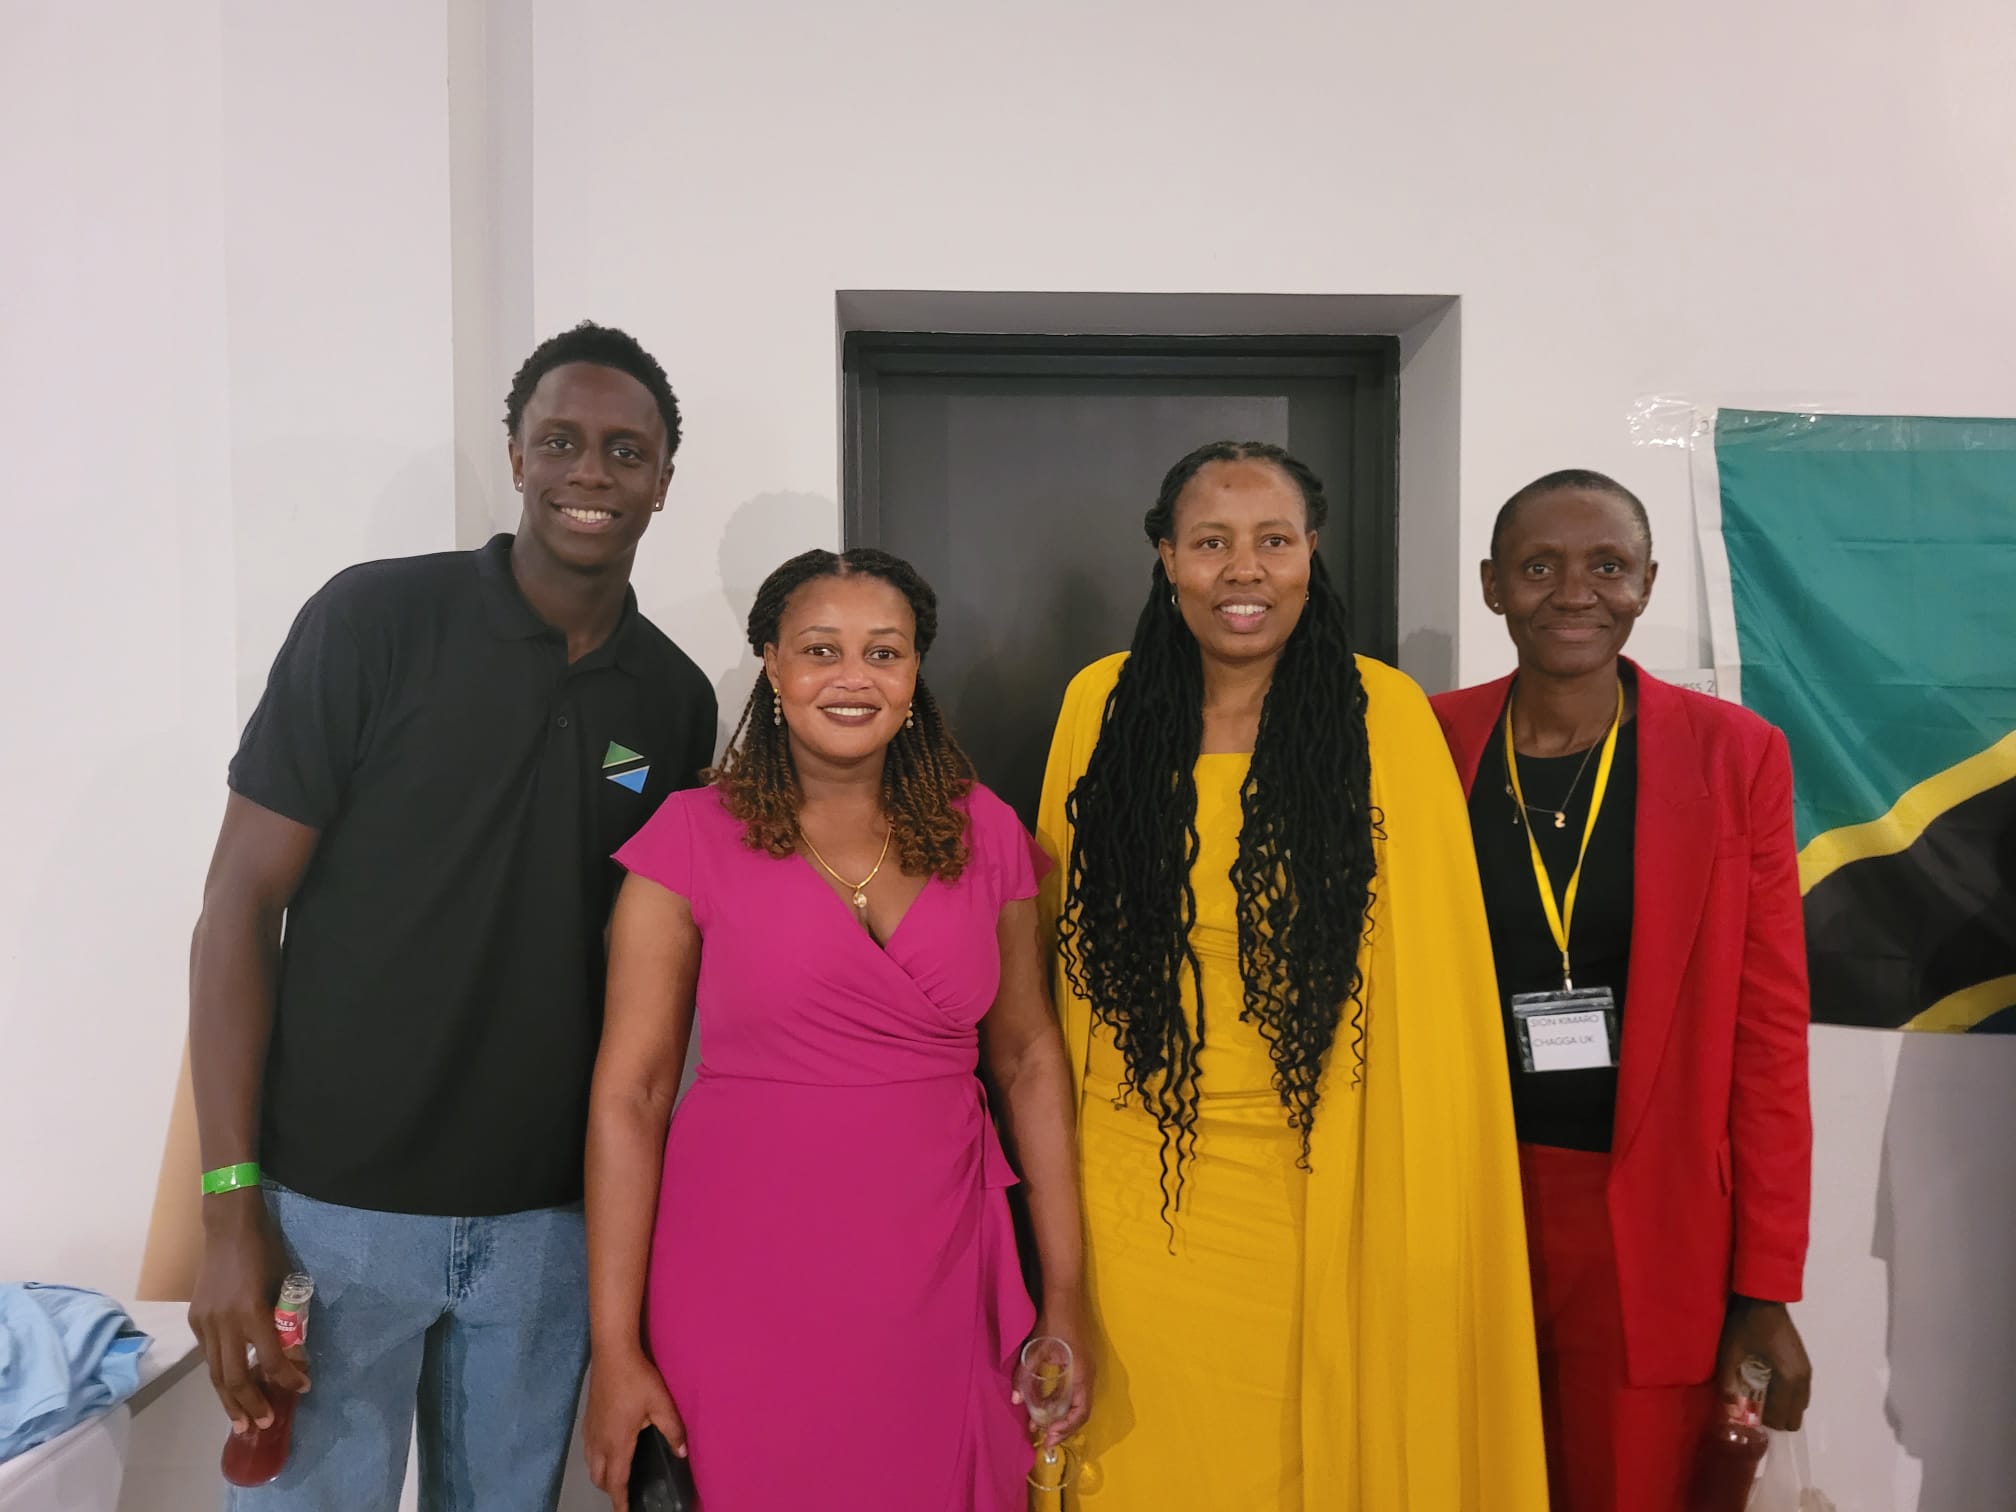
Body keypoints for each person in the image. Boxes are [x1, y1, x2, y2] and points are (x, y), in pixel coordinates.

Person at [185, 321, 716, 1510]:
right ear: (517, 457)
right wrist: (229, 1211)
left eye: (625, 451)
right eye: (560, 442)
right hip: (331, 1217)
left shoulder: (673, 699)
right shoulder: (374, 621)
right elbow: (237, 907)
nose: (590, 472)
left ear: (663, 481)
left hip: (546, 1228)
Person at [1036, 441, 1547, 1510]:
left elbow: (1433, 980)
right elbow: (1055, 957)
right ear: (1166, 556)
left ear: (1312, 551)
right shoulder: (1100, 706)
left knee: (1312, 1458)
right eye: (1211, 542)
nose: (1244, 569)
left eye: (1273, 540)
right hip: (1131, 1172)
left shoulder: (1384, 715)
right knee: (1142, 1462)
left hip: (1323, 1169)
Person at [580, 547, 1089, 1512]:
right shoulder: (691, 834)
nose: (853, 677)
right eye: (821, 649)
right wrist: (614, 1345)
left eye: (883, 652)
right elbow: (632, 1094)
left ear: (914, 672)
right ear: (772, 664)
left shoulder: (985, 832)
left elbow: (1028, 1059)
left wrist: (1064, 1292)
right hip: (739, 1266)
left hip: (941, 1264)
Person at [1429, 468, 1813, 1512]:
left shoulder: (1735, 756)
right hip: (1461, 1201)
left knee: (1630, 1486)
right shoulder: (1424, 744)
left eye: (1607, 566)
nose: (1574, 592)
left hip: (1654, 1222)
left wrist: (1766, 1287)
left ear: (1646, 583)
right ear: (1492, 584)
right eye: (1539, 566)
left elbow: (1769, 1037)